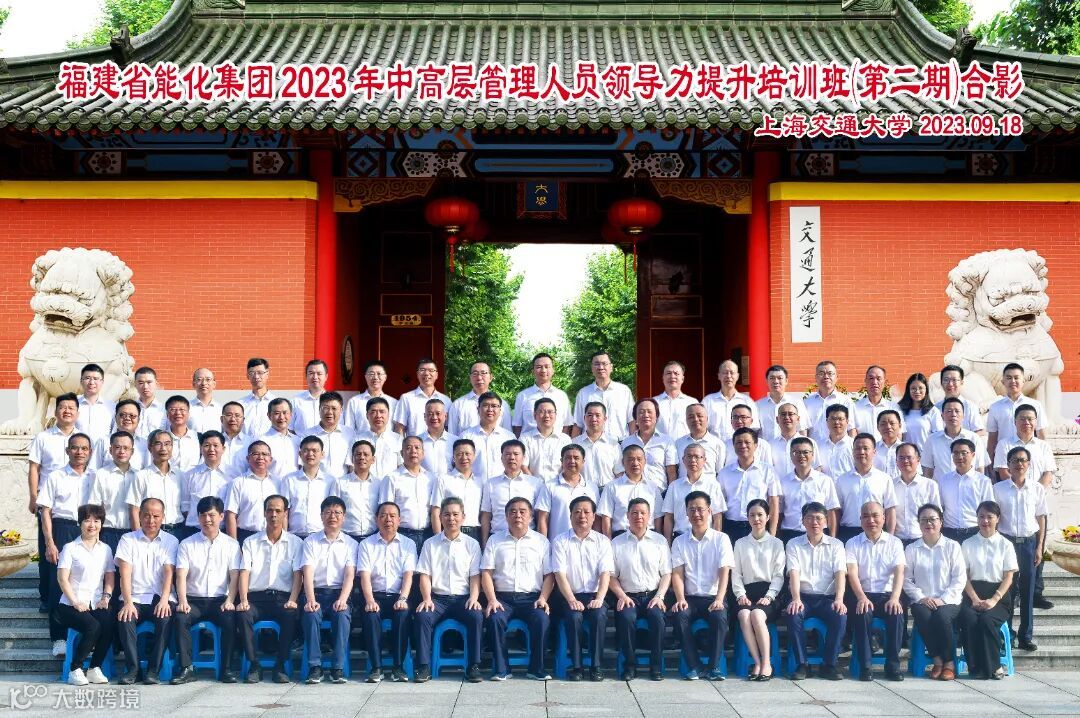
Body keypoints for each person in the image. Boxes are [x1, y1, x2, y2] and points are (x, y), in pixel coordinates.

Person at [170, 495, 242, 684]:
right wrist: (182, 601)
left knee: (230, 619)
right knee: (181, 618)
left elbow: (234, 576)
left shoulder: (231, 545)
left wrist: (230, 600)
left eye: (211, 515)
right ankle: (186, 668)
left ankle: (226, 668)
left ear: (221, 516)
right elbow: (181, 575)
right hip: (193, 600)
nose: (207, 519)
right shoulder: (187, 544)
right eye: (202, 515)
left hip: (220, 601)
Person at [412, 497, 484, 684]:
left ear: (463, 517)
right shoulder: (430, 544)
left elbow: (475, 576)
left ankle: (474, 666)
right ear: (440, 517)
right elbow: (424, 575)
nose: (451, 518)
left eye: (455, 514)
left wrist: (474, 597)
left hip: (463, 599)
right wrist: (427, 598)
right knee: (422, 616)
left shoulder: (472, 544)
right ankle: (423, 666)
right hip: (438, 600)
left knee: (476, 616)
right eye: (446, 514)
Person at [481, 497, 554, 681]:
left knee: (542, 619)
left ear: (531, 517)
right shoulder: (494, 540)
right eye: (512, 512)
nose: (518, 515)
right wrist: (492, 599)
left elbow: (549, 575)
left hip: (532, 598)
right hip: (502, 599)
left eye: (522, 511)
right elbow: (486, 573)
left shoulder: (541, 542)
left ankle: (536, 668)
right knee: (494, 618)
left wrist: (543, 598)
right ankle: (502, 669)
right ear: (506, 516)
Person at [39, 432, 94, 655]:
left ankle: (87, 636)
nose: (79, 452)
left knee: (86, 582)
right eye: (75, 448)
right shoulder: (55, 476)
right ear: (67, 451)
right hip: (62, 528)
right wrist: (49, 543)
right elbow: (45, 511)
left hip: (88, 529)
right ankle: (59, 638)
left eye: (84, 448)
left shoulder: (95, 476)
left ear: (90, 452)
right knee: (58, 584)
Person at [237, 494, 303, 684]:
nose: (274, 515)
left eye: (278, 511)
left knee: (290, 614)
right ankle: (254, 665)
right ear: (264, 513)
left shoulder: (296, 542)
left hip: (282, 598)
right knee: (243, 614)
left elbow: (298, 575)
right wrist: (243, 600)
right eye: (270, 510)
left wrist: (293, 599)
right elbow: (244, 572)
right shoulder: (250, 542)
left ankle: (280, 665)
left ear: (285, 513)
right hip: (255, 598)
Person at [669, 490, 734, 681]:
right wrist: (680, 599)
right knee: (679, 614)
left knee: (719, 616)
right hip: (690, 598)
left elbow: (724, 571)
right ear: (686, 513)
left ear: (709, 511)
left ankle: (714, 667)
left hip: (713, 596)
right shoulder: (679, 541)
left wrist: (720, 599)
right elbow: (677, 574)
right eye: (692, 510)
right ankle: (694, 666)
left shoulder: (721, 539)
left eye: (700, 509)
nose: (696, 514)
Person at [115, 498, 178, 685]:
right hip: (133, 597)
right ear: (140, 516)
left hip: (160, 597)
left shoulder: (171, 541)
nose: (151, 520)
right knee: (125, 618)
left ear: (163, 517)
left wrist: (165, 599)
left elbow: (169, 572)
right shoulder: (128, 539)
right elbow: (124, 573)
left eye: (156, 516)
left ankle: (153, 670)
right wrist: (127, 602)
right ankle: (133, 669)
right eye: (147, 515)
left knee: (165, 618)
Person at [551, 496, 613, 682]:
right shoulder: (560, 541)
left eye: (586, 512)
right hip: (569, 595)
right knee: (574, 616)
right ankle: (577, 666)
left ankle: (596, 666)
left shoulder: (603, 541)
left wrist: (600, 598)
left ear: (594, 516)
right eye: (577, 512)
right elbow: (559, 574)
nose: (582, 516)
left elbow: (605, 573)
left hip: (595, 595)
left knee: (599, 615)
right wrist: (571, 599)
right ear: (570, 516)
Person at [609, 498, 671, 681]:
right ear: (627, 516)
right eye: (634, 513)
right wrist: (621, 596)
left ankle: (656, 665)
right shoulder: (617, 543)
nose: (639, 516)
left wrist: (660, 596)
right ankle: (630, 665)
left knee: (657, 618)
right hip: (628, 596)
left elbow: (666, 574)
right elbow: (611, 576)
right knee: (626, 618)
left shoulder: (659, 541)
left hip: (653, 595)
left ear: (649, 516)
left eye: (643, 513)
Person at [903, 503, 966, 680]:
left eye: (932, 519)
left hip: (949, 600)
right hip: (922, 600)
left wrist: (942, 599)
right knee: (923, 615)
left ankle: (949, 663)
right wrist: (922, 598)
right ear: (918, 523)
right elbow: (906, 580)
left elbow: (959, 578)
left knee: (941, 617)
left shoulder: (952, 546)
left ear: (941, 522)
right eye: (923, 520)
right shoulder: (911, 549)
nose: (928, 523)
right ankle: (938, 660)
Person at [845, 501, 907, 682]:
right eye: (866, 516)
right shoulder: (852, 543)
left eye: (875, 516)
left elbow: (899, 572)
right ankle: (865, 666)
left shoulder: (894, 543)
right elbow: (852, 574)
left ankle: (893, 666)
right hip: (863, 594)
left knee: (896, 613)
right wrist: (861, 597)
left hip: (888, 595)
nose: (871, 520)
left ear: (884, 518)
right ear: (860, 520)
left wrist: (895, 598)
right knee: (862, 612)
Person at [28, 393, 79, 614]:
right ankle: (47, 597)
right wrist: (33, 497)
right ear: (56, 411)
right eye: (62, 407)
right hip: (48, 501)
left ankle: (71, 596)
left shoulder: (83, 439)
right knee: (48, 551)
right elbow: (34, 468)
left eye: (71, 407)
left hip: (73, 504)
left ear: (77, 412)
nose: (67, 411)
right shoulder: (43, 437)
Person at [785, 501, 848, 681]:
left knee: (840, 615)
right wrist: (796, 598)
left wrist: (839, 599)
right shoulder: (793, 544)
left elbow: (840, 574)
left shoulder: (836, 545)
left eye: (819, 518)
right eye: (809, 518)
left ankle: (829, 664)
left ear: (826, 521)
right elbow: (794, 573)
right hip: (803, 597)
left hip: (827, 598)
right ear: (803, 521)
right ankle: (802, 664)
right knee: (793, 613)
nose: (814, 522)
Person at [994, 446, 1047, 652]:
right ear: (1008, 464)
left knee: (1027, 592)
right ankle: (1006, 635)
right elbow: (994, 519)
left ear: (1029, 464)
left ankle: (1026, 636)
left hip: (1028, 544)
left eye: (1023, 460)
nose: (1019, 464)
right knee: (1007, 592)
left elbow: (1041, 518)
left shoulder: (1037, 488)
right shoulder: (998, 489)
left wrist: (1039, 546)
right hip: (1006, 543)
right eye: (1015, 460)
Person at [55, 503, 115, 686]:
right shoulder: (70, 548)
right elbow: (62, 579)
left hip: (95, 602)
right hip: (69, 605)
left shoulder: (105, 549)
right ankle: (75, 669)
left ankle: (95, 668)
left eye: (96, 521)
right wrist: (75, 602)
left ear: (101, 524)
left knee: (109, 623)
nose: (92, 525)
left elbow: (109, 577)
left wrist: (106, 597)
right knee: (93, 626)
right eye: (87, 520)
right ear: (80, 523)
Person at [300, 496, 358, 684]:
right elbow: (307, 572)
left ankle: (337, 668)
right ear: (321, 516)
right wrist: (310, 599)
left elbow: (349, 575)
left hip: (339, 594)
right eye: (328, 512)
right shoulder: (310, 541)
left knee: (342, 615)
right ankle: (315, 667)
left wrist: (343, 599)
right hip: (315, 592)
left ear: (344, 517)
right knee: (311, 614)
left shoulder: (351, 544)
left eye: (337, 513)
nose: (332, 516)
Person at [357, 501, 416, 683]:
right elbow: (364, 576)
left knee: (403, 613)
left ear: (399, 520)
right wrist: (370, 600)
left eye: (392, 516)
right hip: (374, 595)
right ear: (377, 519)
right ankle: (376, 667)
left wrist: (403, 598)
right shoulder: (366, 544)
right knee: (370, 614)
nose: (388, 519)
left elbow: (408, 576)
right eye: (383, 515)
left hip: (399, 596)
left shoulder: (408, 544)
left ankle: (398, 667)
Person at [959, 501, 1017, 679]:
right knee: (968, 618)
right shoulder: (967, 544)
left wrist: (994, 599)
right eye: (981, 517)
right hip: (972, 593)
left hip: (998, 596)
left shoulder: (1005, 545)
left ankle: (994, 666)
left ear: (998, 519)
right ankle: (975, 667)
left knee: (986, 620)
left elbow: (1008, 577)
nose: (985, 521)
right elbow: (964, 576)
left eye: (989, 517)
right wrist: (974, 599)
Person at [731, 499, 785, 681]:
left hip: (770, 593)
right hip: (746, 593)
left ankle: (767, 663)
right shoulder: (740, 543)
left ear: (768, 517)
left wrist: (769, 596)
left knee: (757, 615)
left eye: (760, 515)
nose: (756, 519)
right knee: (744, 614)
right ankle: (757, 662)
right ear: (747, 518)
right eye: (752, 515)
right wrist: (740, 595)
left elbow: (779, 575)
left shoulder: (776, 543)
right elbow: (735, 573)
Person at [717, 427, 780, 543]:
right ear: (733, 445)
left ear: (756, 445)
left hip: (759, 526)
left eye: (747, 442)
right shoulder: (724, 473)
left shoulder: (768, 471)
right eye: (739, 442)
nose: (743, 445)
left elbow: (774, 503)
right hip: (731, 527)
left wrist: (772, 534)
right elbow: (718, 505)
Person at [479, 440, 544, 546]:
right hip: (497, 539)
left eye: (516, 454)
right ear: (501, 458)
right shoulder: (491, 484)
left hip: (527, 540)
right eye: (508, 454)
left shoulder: (535, 483)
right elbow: (486, 515)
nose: (512, 457)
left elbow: (539, 516)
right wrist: (485, 543)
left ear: (523, 458)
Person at [834, 433, 898, 542]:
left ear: (874, 452)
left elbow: (890, 510)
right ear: (852, 452)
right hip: (848, 532)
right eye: (857, 448)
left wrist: (890, 538)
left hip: (876, 532)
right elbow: (836, 511)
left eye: (865, 448)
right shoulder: (842, 480)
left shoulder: (884, 479)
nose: (861, 452)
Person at [778, 437, 840, 543]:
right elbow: (780, 512)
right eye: (796, 452)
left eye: (805, 452)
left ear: (812, 455)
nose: (801, 456)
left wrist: (832, 539)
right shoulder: (783, 482)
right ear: (791, 456)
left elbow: (831, 511)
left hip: (818, 534)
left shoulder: (825, 480)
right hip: (790, 534)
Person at [380, 436, 436, 552]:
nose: (413, 451)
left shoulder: (431, 478)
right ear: (401, 453)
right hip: (402, 535)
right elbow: (385, 511)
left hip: (427, 535)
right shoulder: (392, 478)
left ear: (423, 453)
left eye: (417, 448)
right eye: (408, 448)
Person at [662, 443, 726, 542]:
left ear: (704, 460)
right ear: (683, 460)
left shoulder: (713, 485)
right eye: (689, 456)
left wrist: (715, 541)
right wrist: (668, 542)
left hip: (705, 538)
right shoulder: (674, 486)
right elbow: (668, 517)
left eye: (697, 457)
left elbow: (717, 517)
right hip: (680, 538)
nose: (693, 460)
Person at [88, 430, 138, 554]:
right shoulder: (101, 474)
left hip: (133, 533)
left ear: (132, 451)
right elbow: (94, 507)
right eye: (117, 447)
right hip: (108, 533)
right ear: (110, 450)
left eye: (126, 448)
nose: (122, 451)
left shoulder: (139, 476)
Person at [987, 363, 1047, 465]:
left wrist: (1045, 460)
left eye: (1016, 378)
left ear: (1023, 381)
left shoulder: (1036, 405)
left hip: (1030, 459)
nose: (1013, 381)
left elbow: (1041, 435)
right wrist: (990, 463)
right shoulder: (995, 407)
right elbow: (992, 438)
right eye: (1009, 378)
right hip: (1004, 460)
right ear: (1003, 381)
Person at [598, 445, 663, 537]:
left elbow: (658, 516)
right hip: (620, 537)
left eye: (639, 459)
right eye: (631, 459)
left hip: (648, 537)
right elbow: (606, 517)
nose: (635, 463)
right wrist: (609, 541)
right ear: (623, 462)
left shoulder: (653, 487)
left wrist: (658, 538)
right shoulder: (611, 487)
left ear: (645, 461)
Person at [536, 444, 599, 539]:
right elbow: (543, 519)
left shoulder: (592, 488)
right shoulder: (549, 486)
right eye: (568, 458)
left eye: (576, 458)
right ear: (561, 461)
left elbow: (596, 519)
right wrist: (543, 543)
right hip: (558, 543)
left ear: (583, 462)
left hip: (586, 544)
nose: (572, 461)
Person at [938, 438, 994, 543]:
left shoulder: (983, 481)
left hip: (975, 531)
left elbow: (989, 509)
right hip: (949, 532)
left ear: (973, 455)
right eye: (956, 453)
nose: (960, 457)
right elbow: (940, 507)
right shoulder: (944, 480)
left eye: (964, 453)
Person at [180, 430, 233, 540]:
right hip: (194, 531)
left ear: (223, 449)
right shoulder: (190, 475)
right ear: (201, 448)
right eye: (207, 445)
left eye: (215, 445)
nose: (211, 449)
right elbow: (185, 506)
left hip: (223, 532)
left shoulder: (233, 475)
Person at [225, 441, 281, 544]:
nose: (260, 457)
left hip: (273, 536)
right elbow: (231, 515)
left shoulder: (278, 483)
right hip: (245, 536)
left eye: (265, 454)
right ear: (248, 458)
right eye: (255, 454)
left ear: (270, 459)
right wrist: (233, 544)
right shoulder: (238, 483)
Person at [429, 439, 485, 541]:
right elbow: (436, 511)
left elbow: (484, 513)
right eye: (459, 454)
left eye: (467, 454)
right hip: (449, 531)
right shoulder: (444, 479)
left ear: (474, 456)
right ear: (453, 457)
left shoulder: (480, 482)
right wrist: (438, 538)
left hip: (474, 533)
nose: (464, 457)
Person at [572, 352, 634, 441]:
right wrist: (574, 446)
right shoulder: (583, 393)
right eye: (596, 364)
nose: (601, 367)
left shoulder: (623, 391)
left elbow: (632, 421)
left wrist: (632, 443)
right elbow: (578, 424)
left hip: (620, 444)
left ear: (611, 367)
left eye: (604, 363)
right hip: (590, 444)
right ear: (592, 368)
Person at [330, 440, 384, 542]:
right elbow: (333, 510)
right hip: (346, 538)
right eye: (358, 454)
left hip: (373, 538)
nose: (362, 457)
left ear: (373, 459)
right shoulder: (340, 483)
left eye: (366, 454)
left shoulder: (379, 484)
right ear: (352, 458)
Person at [280, 436, 333, 538]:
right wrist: (285, 536)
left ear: (322, 454)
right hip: (294, 536)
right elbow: (284, 511)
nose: (310, 454)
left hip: (320, 536)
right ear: (300, 454)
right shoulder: (289, 479)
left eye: (314, 451)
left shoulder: (330, 481)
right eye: (306, 450)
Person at [923, 398, 989, 478]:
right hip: (941, 485)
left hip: (969, 485)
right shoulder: (932, 440)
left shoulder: (974, 438)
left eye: (957, 411)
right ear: (942, 416)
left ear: (963, 415)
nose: (953, 414)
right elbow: (928, 470)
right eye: (949, 411)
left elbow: (979, 469)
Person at [459, 392, 516, 482]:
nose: (490, 409)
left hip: (501, 486)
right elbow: (459, 466)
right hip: (474, 486)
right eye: (485, 405)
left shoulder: (509, 437)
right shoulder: (466, 437)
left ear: (500, 410)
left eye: (494, 406)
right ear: (478, 409)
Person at [892, 443, 941, 547]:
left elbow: (937, 514)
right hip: (896, 541)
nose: (905, 461)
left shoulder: (930, 485)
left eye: (909, 457)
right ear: (896, 461)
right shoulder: (890, 485)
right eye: (901, 458)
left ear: (918, 460)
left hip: (922, 540)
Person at [622, 398, 677, 489]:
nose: (646, 415)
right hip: (632, 492)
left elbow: (672, 474)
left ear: (656, 417)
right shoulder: (626, 442)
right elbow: (622, 471)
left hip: (660, 493)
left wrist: (671, 493)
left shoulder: (667, 441)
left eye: (649, 412)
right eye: (641, 412)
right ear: (635, 418)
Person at [993, 404, 1057, 484]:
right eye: (1022, 419)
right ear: (1015, 422)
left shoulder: (1044, 446)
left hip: (1039, 491)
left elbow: (1048, 473)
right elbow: (1003, 472)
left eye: (1030, 419)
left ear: (1036, 422)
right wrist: (1021, 489)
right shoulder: (1004, 444)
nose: (1026, 422)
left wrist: (1037, 490)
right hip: (1012, 491)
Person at [513, 352, 572, 436]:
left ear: (553, 370)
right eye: (539, 367)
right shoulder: (523, 396)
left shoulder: (562, 396)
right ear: (533, 371)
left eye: (547, 367)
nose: (543, 370)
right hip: (529, 442)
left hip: (556, 442)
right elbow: (517, 427)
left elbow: (566, 426)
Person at [448, 361, 512, 435]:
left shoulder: (503, 405)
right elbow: (452, 435)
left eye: (483, 373)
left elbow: (508, 435)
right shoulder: (457, 405)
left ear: (491, 377)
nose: (479, 377)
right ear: (470, 378)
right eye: (475, 374)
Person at [394, 358, 452, 437]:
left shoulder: (446, 400)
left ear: (437, 375)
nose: (426, 373)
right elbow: (399, 428)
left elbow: (449, 427)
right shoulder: (406, 398)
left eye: (431, 370)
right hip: (414, 444)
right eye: (422, 370)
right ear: (417, 374)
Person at [702, 360, 758, 440]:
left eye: (732, 373)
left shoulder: (747, 401)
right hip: (715, 445)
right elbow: (701, 427)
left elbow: (754, 428)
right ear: (719, 376)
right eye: (725, 372)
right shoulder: (708, 401)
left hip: (740, 445)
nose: (728, 376)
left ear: (737, 376)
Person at [804, 361, 856, 445]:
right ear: (816, 378)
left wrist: (852, 448)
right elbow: (804, 430)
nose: (826, 377)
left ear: (836, 377)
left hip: (839, 448)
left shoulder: (845, 401)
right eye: (821, 373)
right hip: (814, 449)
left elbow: (851, 429)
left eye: (830, 373)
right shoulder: (807, 402)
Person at [573, 401, 622, 488]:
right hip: (582, 490)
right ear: (584, 418)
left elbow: (619, 473)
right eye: (590, 415)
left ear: (605, 419)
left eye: (598, 415)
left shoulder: (613, 444)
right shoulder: (575, 444)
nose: (593, 419)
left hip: (608, 490)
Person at [755, 365, 809, 442]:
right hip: (767, 448)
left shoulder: (797, 403)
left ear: (786, 381)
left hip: (791, 447)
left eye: (780, 378)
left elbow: (802, 430)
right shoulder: (758, 405)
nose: (776, 381)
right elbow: (754, 432)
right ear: (767, 381)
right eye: (772, 378)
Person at [344, 361, 399, 435]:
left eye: (379, 374)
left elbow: (397, 429)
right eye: (371, 374)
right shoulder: (354, 402)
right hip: (361, 441)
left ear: (385, 377)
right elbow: (349, 429)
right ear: (365, 377)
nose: (375, 377)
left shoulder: (394, 403)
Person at [521, 398, 572, 478]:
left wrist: (558, 483)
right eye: (542, 412)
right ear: (534, 415)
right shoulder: (525, 439)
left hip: (559, 484)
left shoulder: (565, 440)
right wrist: (535, 483)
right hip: (532, 484)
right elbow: (523, 465)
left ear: (555, 415)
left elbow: (567, 466)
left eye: (550, 412)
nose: (546, 415)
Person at [675, 403, 726, 480]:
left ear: (707, 418)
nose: (695, 419)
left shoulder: (718, 444)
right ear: (686, 420)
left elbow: (720, 473)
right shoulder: (678, 443)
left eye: (699, 416)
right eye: (691, 417)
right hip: (683, 486)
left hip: (708, 486)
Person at [357, 397, 404, 478]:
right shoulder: (358, 440)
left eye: (382, 412)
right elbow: (353, 468)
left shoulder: (398, 440)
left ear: (388, 415)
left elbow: (402, 467)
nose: (378, 416)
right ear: (367, 415)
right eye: (373, 412)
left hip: (390, 484)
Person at [309, 392, 354, 476]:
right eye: (325, 408)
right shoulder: (308, 435)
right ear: (319, 409)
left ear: (341, 410)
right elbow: (304, 465)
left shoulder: (349, 434)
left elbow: (351, 466)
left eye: (334, 408)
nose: (330, 412)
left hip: (342, 482)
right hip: (316, 482)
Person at [92, 399, 145, 471]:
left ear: (138, 419)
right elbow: (93, 470)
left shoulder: (144, 444)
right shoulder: (103, 441)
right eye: (123, 415)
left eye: (132, 416)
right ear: (115, 417)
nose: (127, 418)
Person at [936, 364, 986, 437]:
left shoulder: (970, 406)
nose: (950, 384)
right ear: (941, 383)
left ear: (962, 382)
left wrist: (963, 441)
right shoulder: (936, 408)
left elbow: (980, 431)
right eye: (946, 380)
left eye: (954, 380)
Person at [852, 366, 900, 441]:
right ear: (865, 381)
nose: (874, 382)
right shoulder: (855, 407)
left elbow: (899, 434)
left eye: (878, 378)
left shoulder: (893, 407)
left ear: (885, 382)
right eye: (871, 378)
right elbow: (852, 434)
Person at [653, 360, 697, 440]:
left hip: (686, 446)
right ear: (663, 378)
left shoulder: (692, 402)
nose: (672, 376)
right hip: (659, 446)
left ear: (682, 379)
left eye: (676, 373)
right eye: (668, 373)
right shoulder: (653, 403)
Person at [259, 398, 301, 480]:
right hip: (272, 486)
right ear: (269, 416)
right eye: (277, 413)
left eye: (285, 413)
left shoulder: (298, 441)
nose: (281, 417)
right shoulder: (262, 441)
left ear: (291, 415)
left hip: (294, 485)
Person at [898, 373, 943, 451]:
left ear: (926, 390)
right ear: (908, 390)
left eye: (920, 388)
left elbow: (938, 437)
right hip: (905, 455)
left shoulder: (933, 411)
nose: (917, 391)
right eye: (913, 388)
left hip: (926, 455)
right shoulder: (901, 410)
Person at [722, 404, 774, 468]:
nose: (739, 421)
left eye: (743, 417)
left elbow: (768, 469)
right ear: (731, 421)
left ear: (751, 421)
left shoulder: (763, 445)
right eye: (735, 417)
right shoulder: (725, 445)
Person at [75, 363, 114, 446]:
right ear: (81, 381)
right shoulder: (72, 404)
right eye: (87, 378)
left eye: (96, 379)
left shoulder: (111, 406)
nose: (91, 382)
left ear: (102, 382)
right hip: (77, 451)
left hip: (103, 452)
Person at [240, 358, 277, 439]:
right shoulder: (241, 405)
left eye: (260, 373)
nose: (256, 377)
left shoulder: (277, 403)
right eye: (252, 373)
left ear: (267, 374)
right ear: (247, 376)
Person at [419, 398, 456, 479]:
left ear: (445, 416)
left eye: (438, 413)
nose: (434, 417)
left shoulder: (455, 441)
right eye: (430, 414)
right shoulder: (417, 442)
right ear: (425, 416)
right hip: (423, 485)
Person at [816, 404, 855, 480]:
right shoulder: (818, 445)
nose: (837, 422)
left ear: (847, 421)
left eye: (840, 419)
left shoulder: (854, 445)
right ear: (827, 421)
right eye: (833, 419)